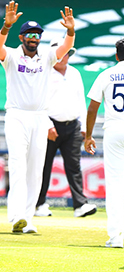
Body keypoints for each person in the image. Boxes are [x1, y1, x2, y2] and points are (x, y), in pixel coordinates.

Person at [0, 0, 75, 233]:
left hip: (40, 118)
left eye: (37, 35)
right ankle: (15, 217)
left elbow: (64, 48)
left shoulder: (47, 56)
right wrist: (6, 27)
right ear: (22, 38)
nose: (34, 38)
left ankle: (27, 219)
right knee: (18, 165)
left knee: (35, 170)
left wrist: (70, 31)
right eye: (30, 35)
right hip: (16, 116)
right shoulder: (12, 56)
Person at [85, 38, 124, 248]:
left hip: (115, 130)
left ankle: (115, 237)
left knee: (115, 185)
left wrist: (88, 136)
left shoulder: (107, 74)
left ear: (116, 55)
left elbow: (93, 107)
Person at [34, 38, 97, 218]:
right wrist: (47, 125)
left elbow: (81, 101)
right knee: (44, 166)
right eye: (60, 53)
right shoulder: (43, 73)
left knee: (74, 166)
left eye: (67, 53)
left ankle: (80, 205)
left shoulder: (75, 73)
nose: (64, 56)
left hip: (73, 126)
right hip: (50, 126)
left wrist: (85, 127)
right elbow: (38, 102)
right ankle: (39, 204)